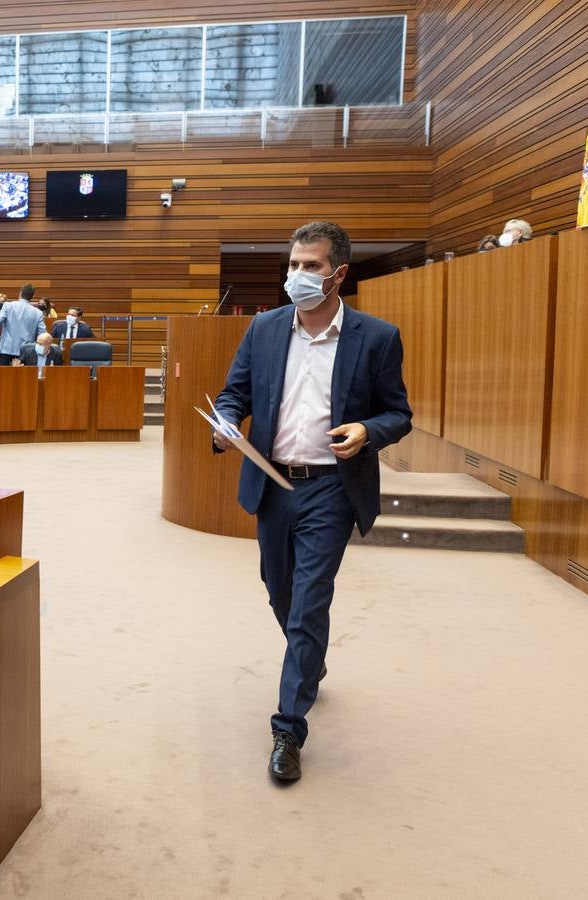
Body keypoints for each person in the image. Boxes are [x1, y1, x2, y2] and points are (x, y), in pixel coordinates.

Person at [211, 221, 412, 783]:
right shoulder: (265, 328)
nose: (298, 276)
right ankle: (311, 660)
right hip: (274, 483)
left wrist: (369, 431)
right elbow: (235, 392)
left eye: (311, 267)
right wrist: (227, 421)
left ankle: (287, 729)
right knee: (279, 590)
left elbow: (399, 413)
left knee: (309, 600)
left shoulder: (376, 337)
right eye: (294, 265)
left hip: (331, 487)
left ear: (338, 273)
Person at [0, 283, 46, 365]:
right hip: (27, 353)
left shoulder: (8, 306)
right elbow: (43, 335)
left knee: (3, 377)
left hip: (6, 351)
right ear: (32, 296)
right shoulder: (38, 313)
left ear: (20, 293)